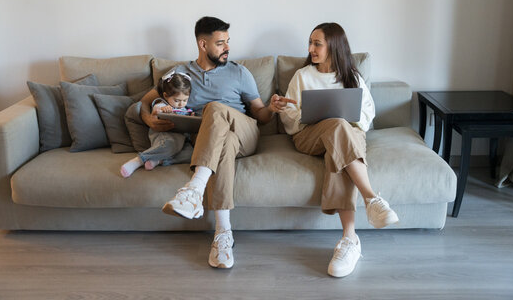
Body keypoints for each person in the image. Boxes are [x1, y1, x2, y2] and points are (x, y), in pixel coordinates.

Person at [140, 16, 292, 269]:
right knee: (225, 143)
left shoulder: (239, 72)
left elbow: (261, 117)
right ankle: (223, 234)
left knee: (215, 109)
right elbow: (145, 100)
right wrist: (149, 120)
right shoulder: (179, 74)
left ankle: (194, 189)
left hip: (246, 132)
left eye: (227, 42)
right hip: (213, 141)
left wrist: (272, 108)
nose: (227, 48)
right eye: (220, 43)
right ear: (202, 44)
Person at [278, 22, 399, 278]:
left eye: (317, 43)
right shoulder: (303, 76)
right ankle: (371, 199)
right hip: (309, 137)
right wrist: (296, 112)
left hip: (347, 138)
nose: (311, 48)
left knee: (339, 138)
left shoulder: (352, 76)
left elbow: (367, 113)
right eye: (310, 43)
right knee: (336, 127)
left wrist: (344, 122)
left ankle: (349, 239)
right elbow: (289, 117)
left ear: (333, 46)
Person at [120, 71, 194, 178]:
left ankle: (158, 160)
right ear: (166, 96)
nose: (181, 104)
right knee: (169, 145)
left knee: (191, 154)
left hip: (181, 140)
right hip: (164, 137)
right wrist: (161, 111)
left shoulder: (184, 109)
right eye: (177, 100)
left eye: (185, 100)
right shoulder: (161, 104)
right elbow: (154, 114)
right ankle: (139, 160)